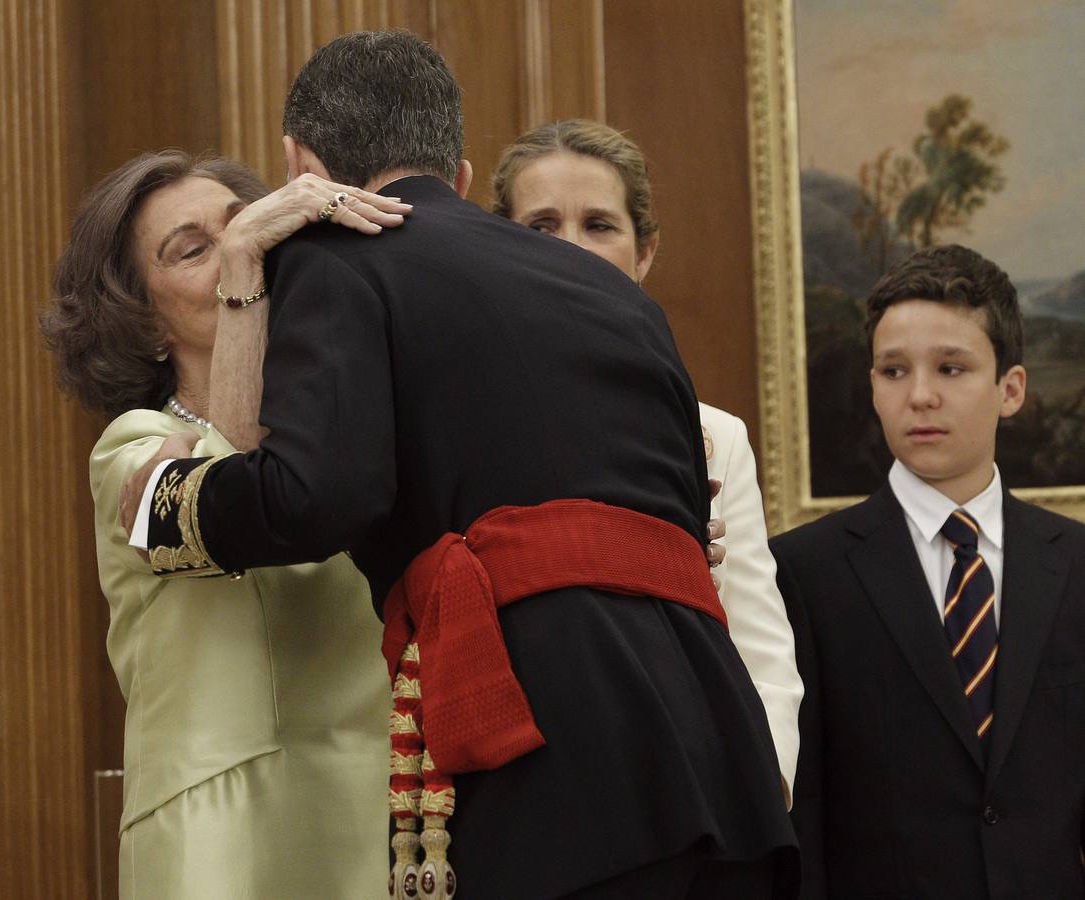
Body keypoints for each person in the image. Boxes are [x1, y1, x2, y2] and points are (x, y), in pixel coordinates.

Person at [123, 30, 798, 900]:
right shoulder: (609, 290)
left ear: (301, 168)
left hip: (558, 748)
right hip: (718, 747)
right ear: (463, 174)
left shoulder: (337, 256)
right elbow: (686, 525)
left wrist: (170, 500)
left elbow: (320, 494)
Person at [41, 150, 410, 899]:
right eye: (193, 250)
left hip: (383, 806)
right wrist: (242, 264)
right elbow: (241, 499)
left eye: (243, 226)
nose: (242, 245)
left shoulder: (346, 434)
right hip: (225, 832)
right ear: (144, 323)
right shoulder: (132, 447)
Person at [491, 118, 802, 804]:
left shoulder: (714, 437)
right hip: (506, 772)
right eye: (541, 226)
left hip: (679, 778)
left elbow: (759, 648)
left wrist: (762, 786)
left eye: (598, 225)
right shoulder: (455, 415)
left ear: (644, 253)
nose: (570, 249)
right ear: (497, 245)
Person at [770, 244, 1085, 898]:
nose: (919, 396)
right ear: (872, 388)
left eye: (950, 368)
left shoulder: (1076, 563)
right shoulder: (804, 573)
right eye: (893, 371)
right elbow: (805, 814)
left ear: (1010, 389)